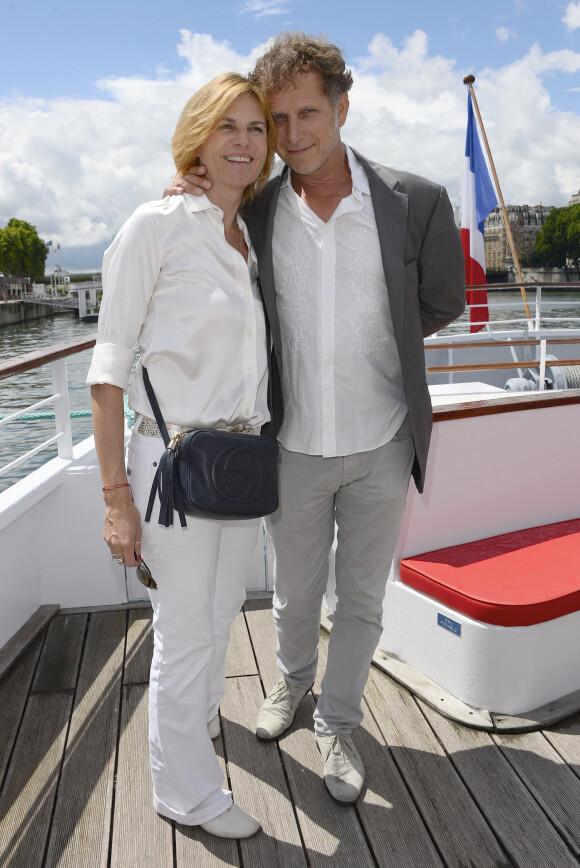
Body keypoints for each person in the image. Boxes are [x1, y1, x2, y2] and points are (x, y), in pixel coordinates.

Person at [166, 33, 466, 806]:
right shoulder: (256, 209)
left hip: (383, 440)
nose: (292, 134)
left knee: (361, 601)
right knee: (296, 595)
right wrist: (185, 190)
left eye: (308, 112)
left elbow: (443, 300)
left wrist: (380, 345)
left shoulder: (418, 200)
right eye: (278, 118)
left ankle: (337, 723)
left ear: (341, 105)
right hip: (291, 446)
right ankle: (289, 685)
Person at [87, 72, 277, 837]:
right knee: (187, 631)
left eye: (255, 129)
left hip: (238, 466)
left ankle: (189, 740)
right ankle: (185, 794)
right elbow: (107, 373)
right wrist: (114, 499)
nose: (242, 141)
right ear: (197, 135)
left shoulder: (247, 236)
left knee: (220, 616)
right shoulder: (155, 226)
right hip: (170, 468)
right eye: (225, 125)